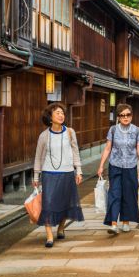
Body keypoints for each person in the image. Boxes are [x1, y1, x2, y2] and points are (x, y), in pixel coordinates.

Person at [32, 103, 84, 248]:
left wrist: (78, 170)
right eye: (57, 113)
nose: (61, 115)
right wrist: (36, 177)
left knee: (65, 203)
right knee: (48, 204)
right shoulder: (44, 136)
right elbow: (37, 157)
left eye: (62, 113)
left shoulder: (70, 132)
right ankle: (49, 236)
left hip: (67, 173)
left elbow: (75, 152)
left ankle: (61, 228)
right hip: (49, 174)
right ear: (50, 117)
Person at [97, 104, 139, 234]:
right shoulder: (113, 130)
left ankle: (126, 222)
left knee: (129, 194)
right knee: (114, 193)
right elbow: (108, 148)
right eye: (122, 115)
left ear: (131, 116)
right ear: (118, 117)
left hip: (130, 167)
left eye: (128, 115)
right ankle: (113, 224)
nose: (125, 117)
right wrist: (101, 165)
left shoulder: (136, 130)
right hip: (115, 166)